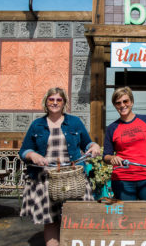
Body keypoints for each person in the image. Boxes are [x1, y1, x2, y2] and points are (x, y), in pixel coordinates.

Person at [19, 87, 100, 246]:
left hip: (73, 179)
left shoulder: (75, 122)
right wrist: (32, 155)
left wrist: (94, 146)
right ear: (46, 102)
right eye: (51, 99)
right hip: (47, 180)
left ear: (64, 103)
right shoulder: (37, 125)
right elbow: (24, 150)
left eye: (59, 100)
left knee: (77, 219)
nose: (55, 103)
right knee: (51, 221)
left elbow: (87, 143)